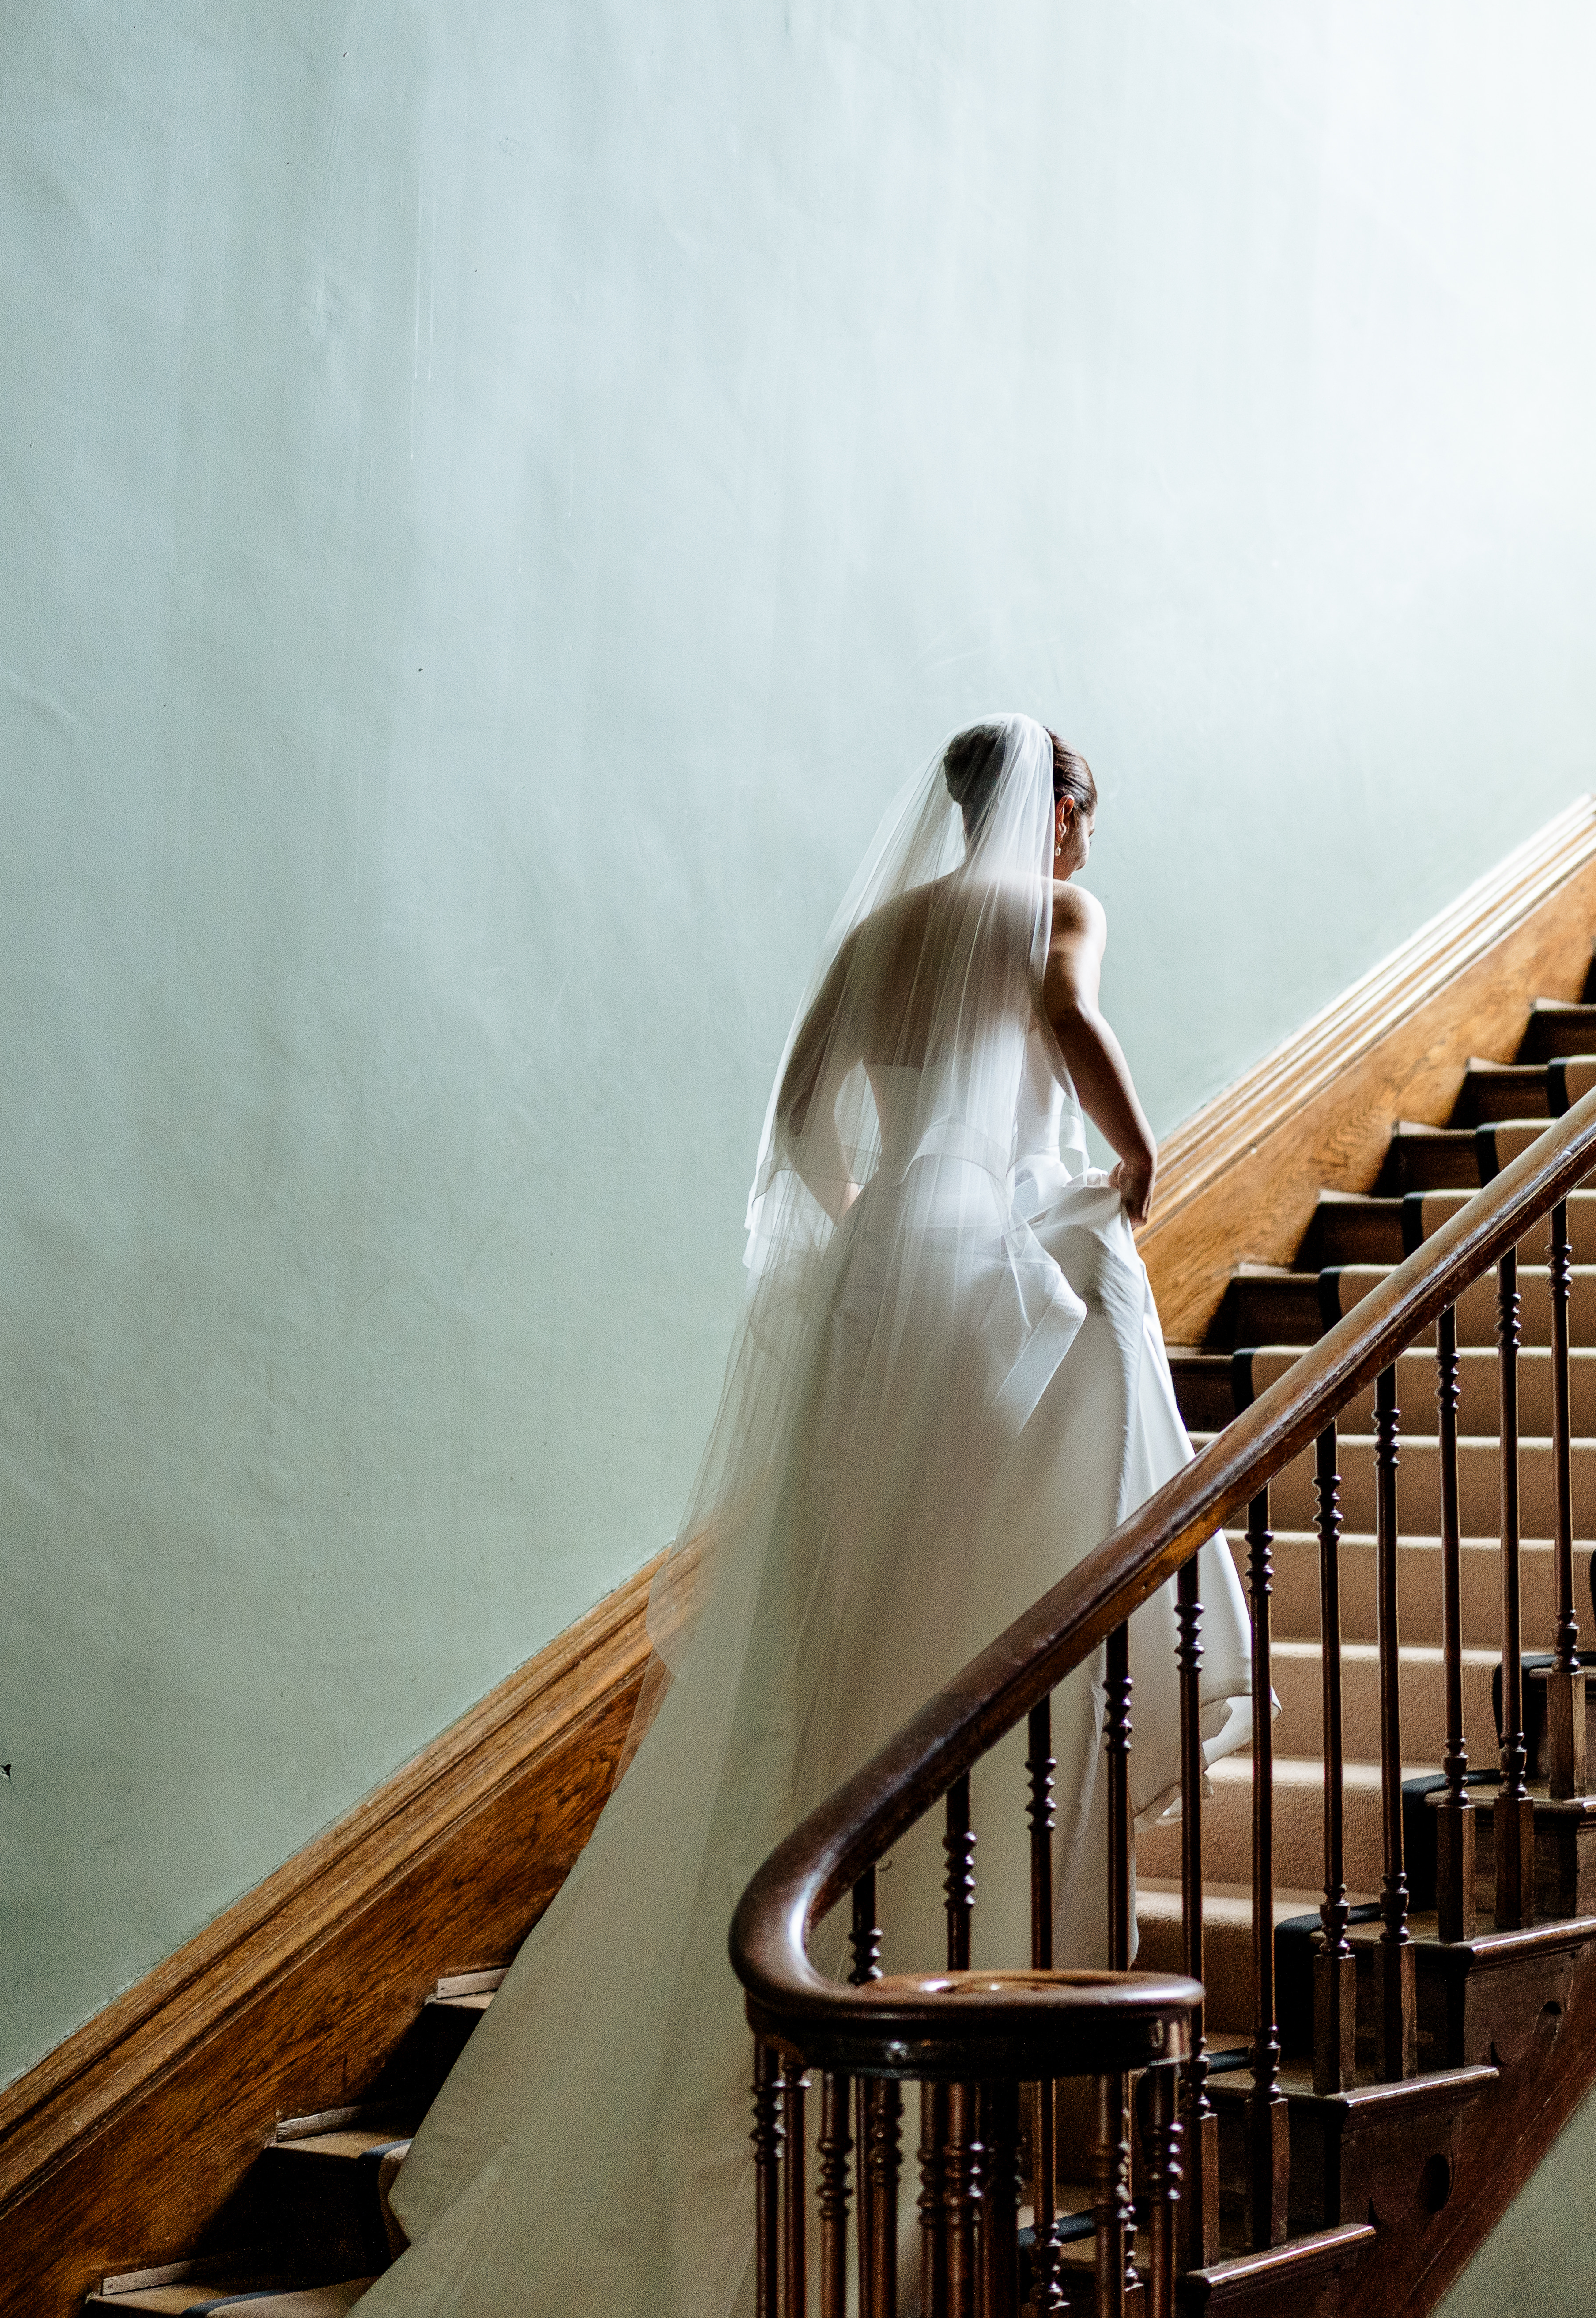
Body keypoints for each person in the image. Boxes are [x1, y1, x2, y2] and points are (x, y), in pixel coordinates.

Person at [360, 717, 1254, 2315]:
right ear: (1047, 814)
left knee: (845, 1602)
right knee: (995, 1527)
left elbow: (798, 1117)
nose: (1083, 849)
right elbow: (1068, 1022)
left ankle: (863, 1881)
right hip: (967, 1257)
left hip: (872, 1278)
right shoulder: (1050, 919)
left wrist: (871, 1228)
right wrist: (1135, 1153)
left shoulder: (879, 937)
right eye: (1080, 818)